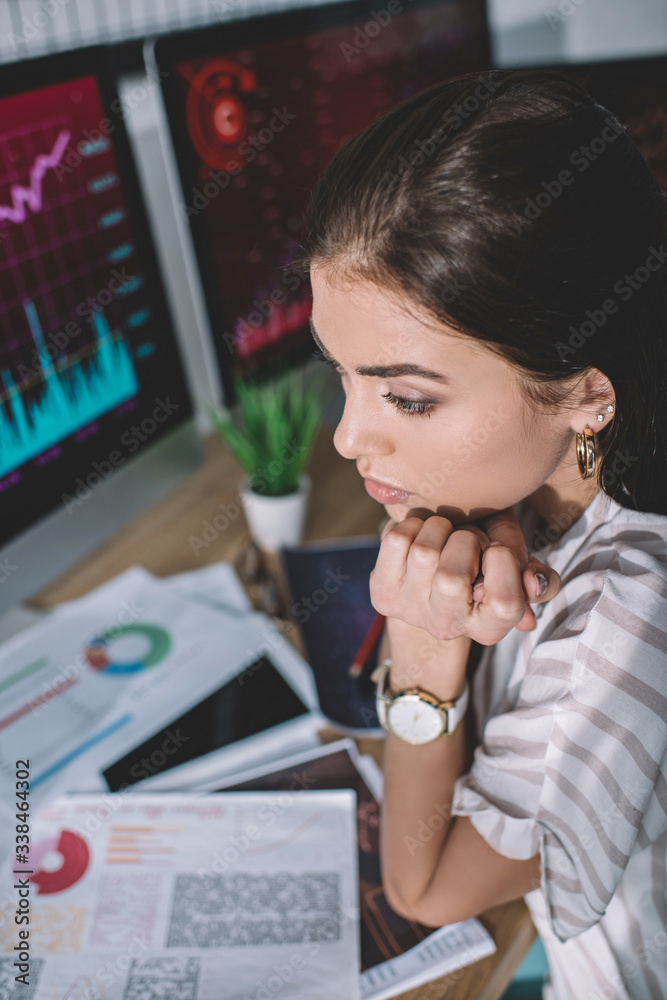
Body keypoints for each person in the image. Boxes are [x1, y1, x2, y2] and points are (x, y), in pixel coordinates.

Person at [284, 68, 667, 1000]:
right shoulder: (560, 488)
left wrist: (423, 656)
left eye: (407, 396)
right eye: (342, 375)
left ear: (587, 395)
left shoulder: (621, 625)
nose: (347, 437)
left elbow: (425, 888)